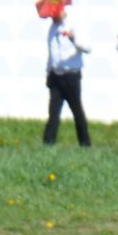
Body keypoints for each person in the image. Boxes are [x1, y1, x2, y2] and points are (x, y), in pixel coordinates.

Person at [42, 9, 91, 147]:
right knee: (53, 111)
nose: (52, 18)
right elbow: (51, 52)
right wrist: (48, 70)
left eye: (54, 15)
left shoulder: (75, 24)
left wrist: (73, 39)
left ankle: (85, 142)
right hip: (56, 75)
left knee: (76, 110)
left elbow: (87, 48)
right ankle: (48, 142)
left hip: (71, 75)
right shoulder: (52, 29)